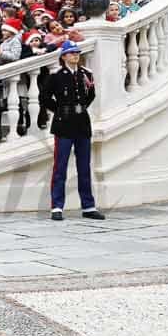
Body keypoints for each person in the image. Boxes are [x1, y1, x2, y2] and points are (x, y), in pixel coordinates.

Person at [41, 40, 105, 221]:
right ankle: (57, 207)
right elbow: (44, 97)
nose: (75, 55)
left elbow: (91, 94)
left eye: (77, 52)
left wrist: (80, 107)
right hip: (63, 125)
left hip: (82, 124)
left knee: (84, 167)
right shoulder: (56, 76)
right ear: (64, 57)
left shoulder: (86, 74)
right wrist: (60, 109)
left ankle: (88, 206)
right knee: (60, 168)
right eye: (71, 53)